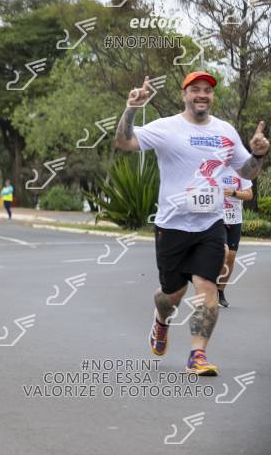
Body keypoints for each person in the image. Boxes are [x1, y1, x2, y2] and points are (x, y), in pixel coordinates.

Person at [114, 70, 268, 376]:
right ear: (184, 94)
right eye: (195, 89)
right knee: (171, 295)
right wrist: (131, 108)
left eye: (207, 90)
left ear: (212, 96)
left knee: (207, 286)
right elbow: (124, 141)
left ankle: (198, 354)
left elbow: (247, 172)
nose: (201, 95)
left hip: (210, 224)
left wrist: (258, 154)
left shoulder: (225, 131)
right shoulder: (167, 127)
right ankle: (161, 320)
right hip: (171, 226)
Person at [218, 167, 253, 308]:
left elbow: (249, 194)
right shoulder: (213, 168)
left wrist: (233, 193)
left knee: (231, 257)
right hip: (216, 218)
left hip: (234, 219)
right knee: (222, 252)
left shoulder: (241, 170)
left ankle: (220, 291)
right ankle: (209, 286)